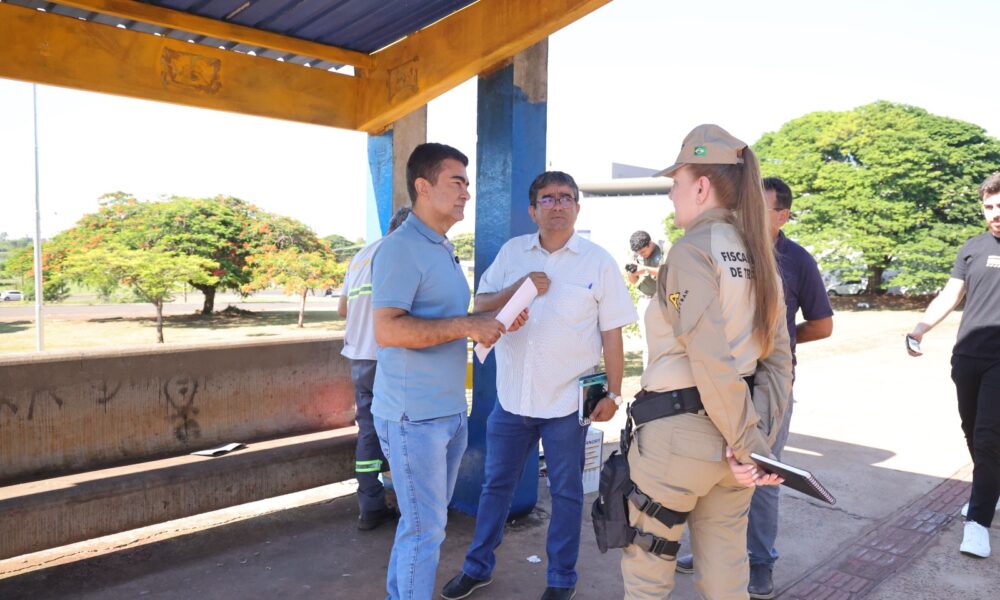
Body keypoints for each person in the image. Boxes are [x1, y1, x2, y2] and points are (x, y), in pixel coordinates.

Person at [441, 172, 638, 600]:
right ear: (533, 210)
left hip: (569, 402)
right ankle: (478, 566)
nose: (558, 205)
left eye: (567, 197)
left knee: (566, 494)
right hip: (513, 401)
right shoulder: (513, 253)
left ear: (577, 208)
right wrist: (521, 286)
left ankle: (560, 579)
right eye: (547, 199)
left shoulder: (597, 261)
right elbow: (481, 303)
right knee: (496, 487)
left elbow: (612, 333)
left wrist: (614, 393)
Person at [620, 124, 793, 599]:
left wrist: (746, 447)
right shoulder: (762, 255)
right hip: (738, 444)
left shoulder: (693, 249)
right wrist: (755, 446)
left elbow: (708, 355)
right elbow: (778, 363)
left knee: (647, 577)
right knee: (726, 581)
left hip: (679, 441)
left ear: (701, 186)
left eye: (675, 184)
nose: (672, 196)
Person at [371, 143, 518, 600]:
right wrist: (465, 325)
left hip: (448, 410)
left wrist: (488, 321)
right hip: (413, 415)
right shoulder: (400, 249)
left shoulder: (440, 246)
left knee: (423, 527)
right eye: (457, 182)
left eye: (467, 184)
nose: (466, 194)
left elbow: (451, 318)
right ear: (423, 186)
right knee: (426, 530)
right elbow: (387, 330)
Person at [674, 177, 834, 598]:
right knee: (713, 470)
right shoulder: (724, 250)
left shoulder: (797, 260)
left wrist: (777, 340)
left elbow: (822, 324)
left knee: (761, 473)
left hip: (768, 387)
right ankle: (709, 552)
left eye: (759, 209)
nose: (747, 215)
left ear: (782, 216)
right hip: (719, 384)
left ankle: (760, 562)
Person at [907, 172, 1000, 559]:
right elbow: (950, 293)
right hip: (967, 356)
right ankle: (988, 490)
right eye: (989, 207)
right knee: (971, 429)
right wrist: (920, 327)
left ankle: (977, 521)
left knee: (988, 435)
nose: (995, 213)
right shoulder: (973, 247)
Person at [338, 206, 412, 531]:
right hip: (390, 358)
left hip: (359, 359)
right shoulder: (401, 254)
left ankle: (370, 506)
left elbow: (342, 309)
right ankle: (414, 509)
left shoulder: (360, 256)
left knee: (368, 431)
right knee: (405, 432)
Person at [626, 230, 663, 366]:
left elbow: (669, 271)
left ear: (650, 243)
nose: (640, 255)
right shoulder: (636, 256)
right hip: (645, 300)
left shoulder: (663, 250)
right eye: (638, 253)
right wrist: (632, 272)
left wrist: (645, 269)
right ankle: (648, 379)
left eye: (643, 252)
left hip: (663, 300)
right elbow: (633, 282)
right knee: (647, 343)